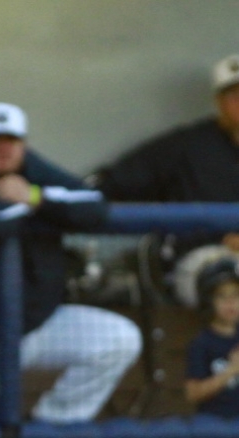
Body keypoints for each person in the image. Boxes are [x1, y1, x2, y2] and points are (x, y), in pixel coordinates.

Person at [0, 102, 142, 425]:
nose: (4, 149)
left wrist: (33, 197)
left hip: (38, 325)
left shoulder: (33, 172)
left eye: (11, 141)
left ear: (23, 145)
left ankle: (51, 424)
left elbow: (95, 206)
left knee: (119, 339)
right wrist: (40, 204)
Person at [94, 54, 239, 282]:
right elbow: (112, 184)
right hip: (202, 260)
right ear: (219, 102)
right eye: (234, 95)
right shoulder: (187, 146)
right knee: (223, 272)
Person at [184, 258, 239, 418]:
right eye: (222, 296)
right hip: (214, 430)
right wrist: (231, 370)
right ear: (209, 302)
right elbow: (192, 394)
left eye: (236, 295)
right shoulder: (202, 343)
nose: (231, 303)